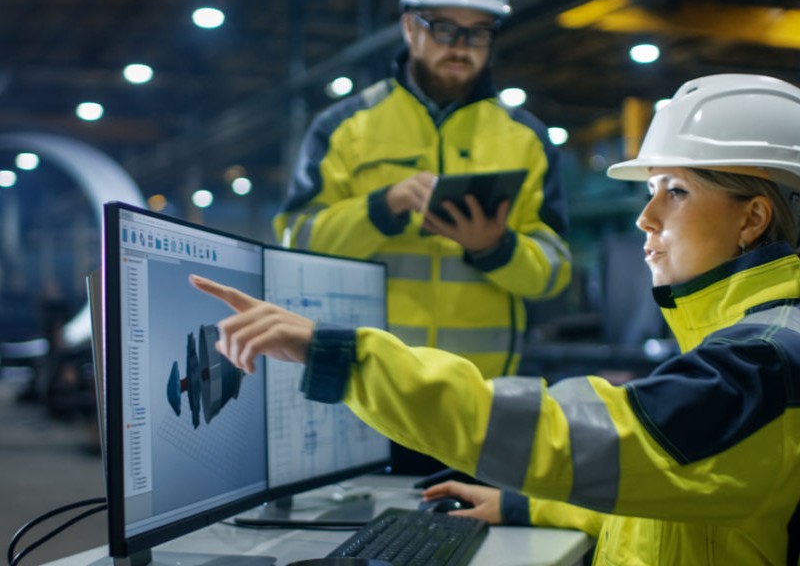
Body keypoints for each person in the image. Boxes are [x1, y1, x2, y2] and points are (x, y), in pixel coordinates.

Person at [192, 73, 800, 564]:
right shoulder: (752, 342)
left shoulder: (762, 364)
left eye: (676, 190)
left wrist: (344, 356)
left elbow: (597, 440)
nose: (645, 216)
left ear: (752, 219)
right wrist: (526, 508)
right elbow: (673, 489)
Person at [273, 0, 571, 382]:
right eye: (445, 29)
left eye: (479, 32)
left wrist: (496, 248)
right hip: (370, 384)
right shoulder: (344, 127)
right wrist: (383, 207)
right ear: (410, 27)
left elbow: (555, 269)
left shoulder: (527, 138)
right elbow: (296, 241)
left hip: (480, 393)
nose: (462, 47)